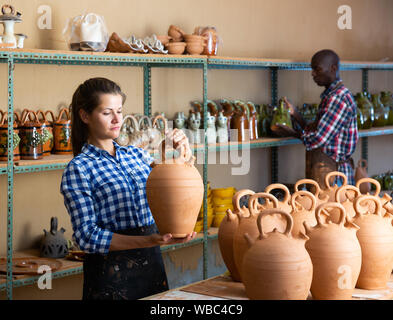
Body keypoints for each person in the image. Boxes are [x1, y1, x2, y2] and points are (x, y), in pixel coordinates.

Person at [60, 77, 197, 300]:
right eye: (107, 113)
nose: (117, 119)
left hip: (152, 267)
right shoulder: (79, 168)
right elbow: (86, 236)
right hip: (110, 277)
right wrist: (149, 240)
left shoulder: (136, 155)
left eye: (119, 111)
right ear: (85, 116)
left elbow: (176, 182)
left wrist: (185, 150)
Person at [276, 49, 358, 186]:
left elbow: (319, 138)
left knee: (331, 208)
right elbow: (318, 131)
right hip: (327, 172)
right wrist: (296, 114)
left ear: (333, 68)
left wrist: (293, 133)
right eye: (312, 69)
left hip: (334, 177)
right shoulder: (330, 97)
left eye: (317, 69)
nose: (313, 74)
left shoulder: (338, 99)